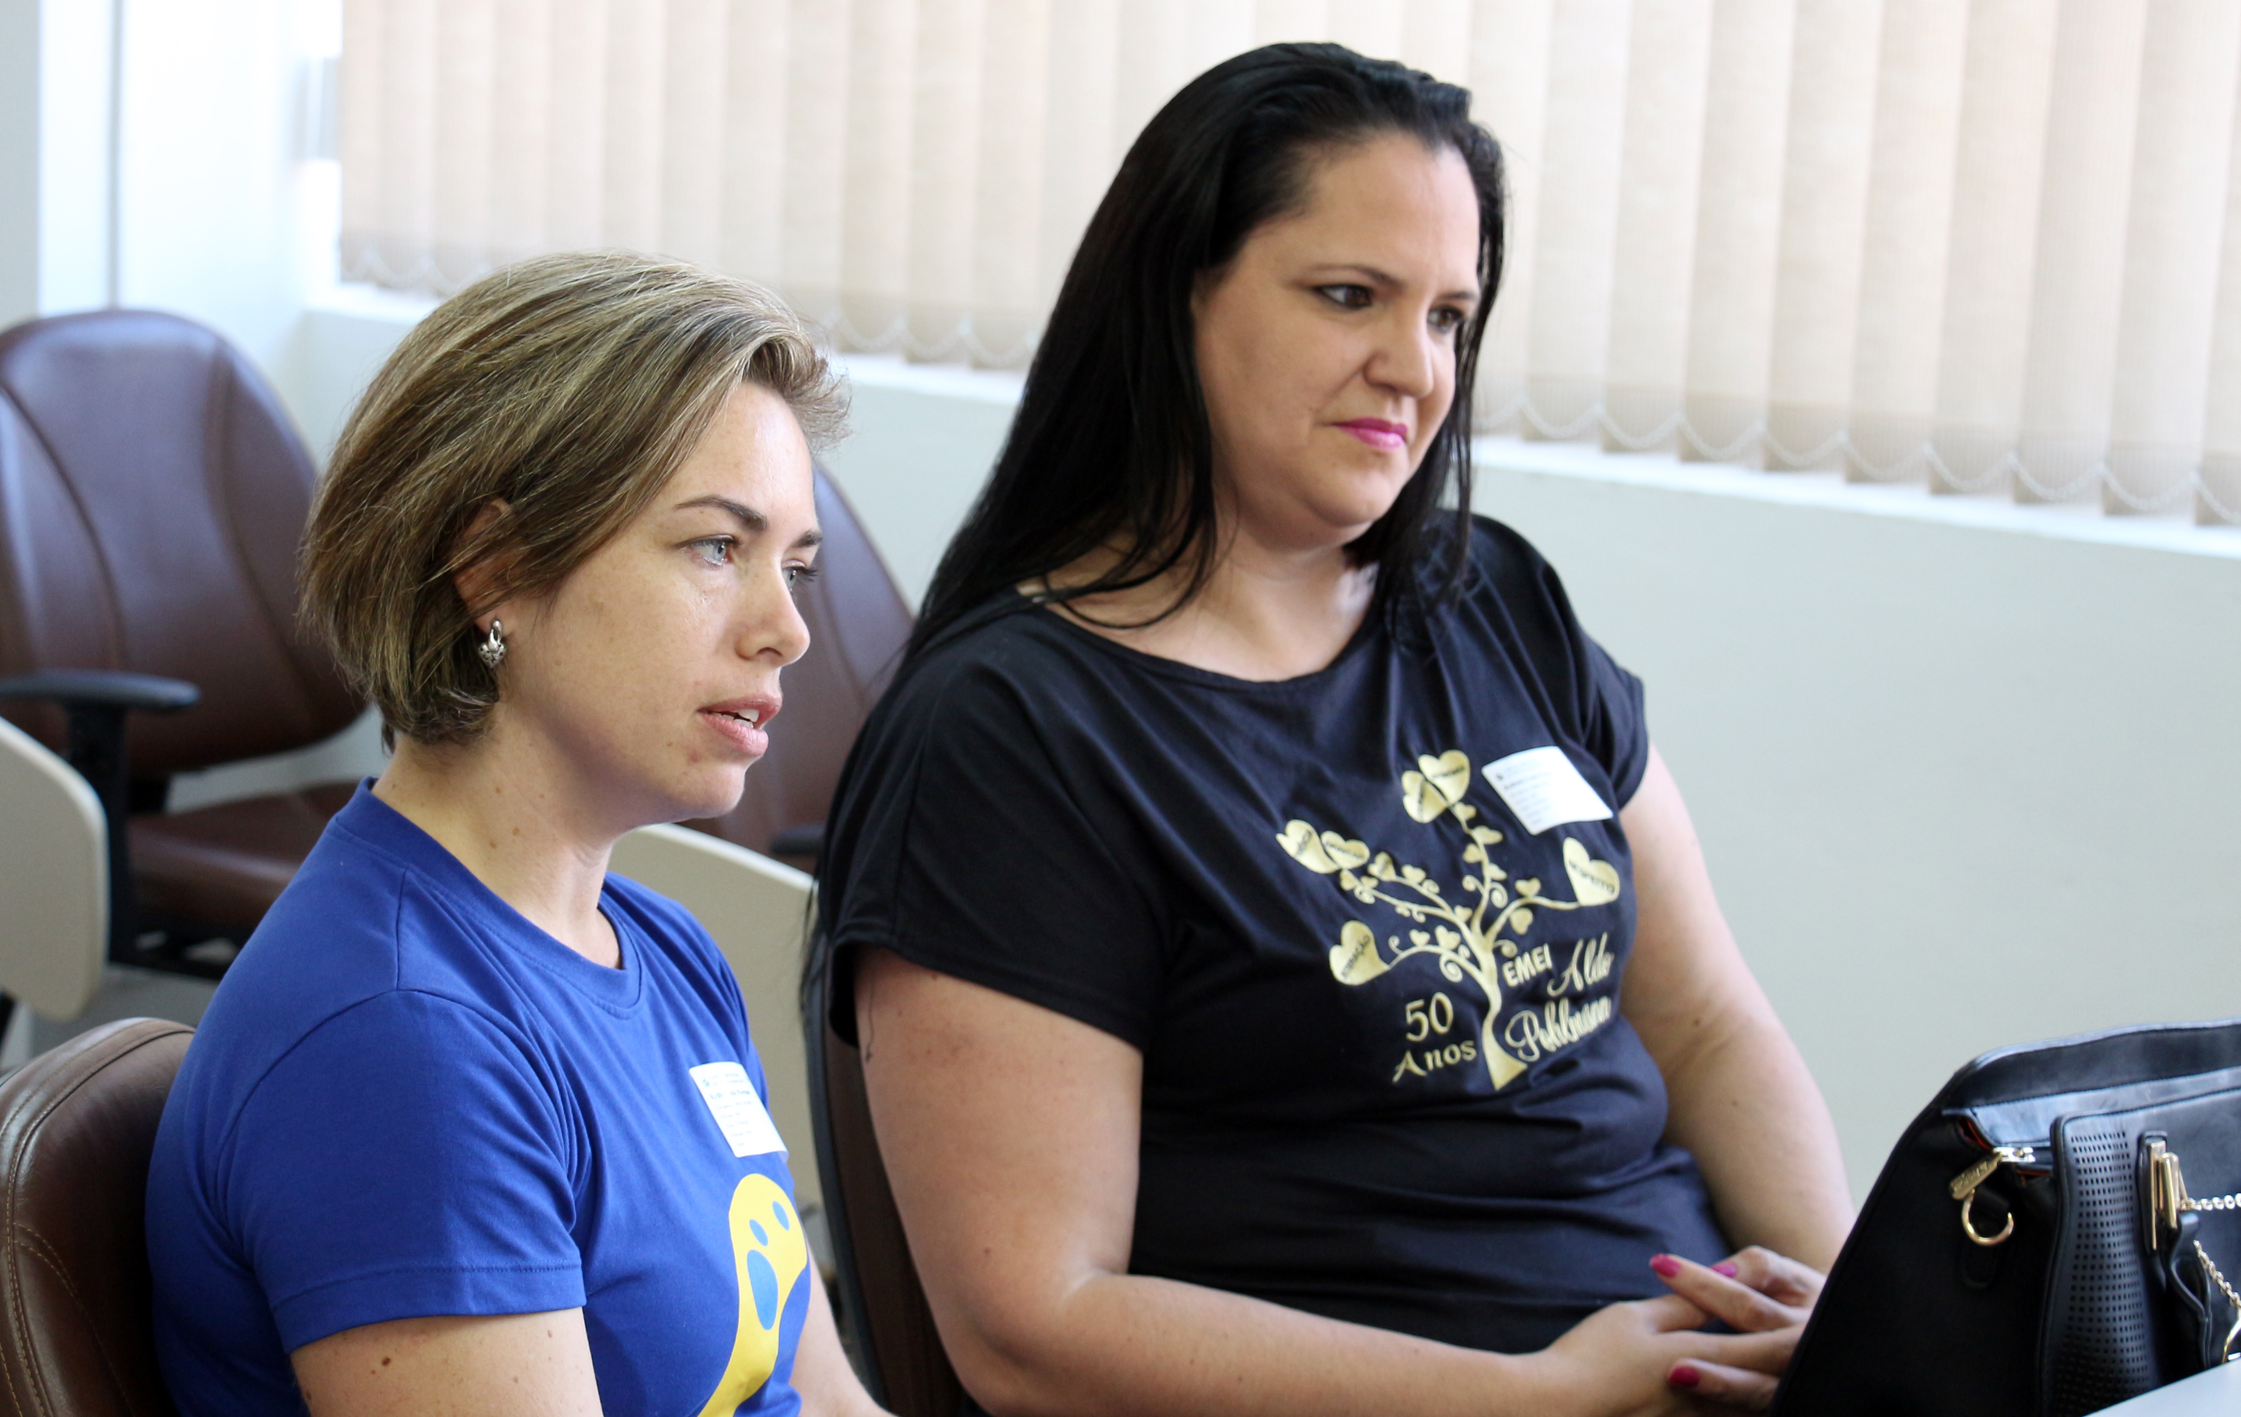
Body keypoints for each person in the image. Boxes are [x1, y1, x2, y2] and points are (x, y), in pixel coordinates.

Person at [813, 43, 1853, 1417]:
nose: (1412, 367)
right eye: (1349, 296)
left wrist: (1852, 1318)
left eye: (1448, 315)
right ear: (1176, 296)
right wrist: (1538, 1396)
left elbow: (1708, 1023)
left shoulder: (1496, 600)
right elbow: (1033, 1328)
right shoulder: (1010, 736)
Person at [147, 251, 887, 1417]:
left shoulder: (664, 949)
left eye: (794, 565)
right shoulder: (402, 1039)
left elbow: (822, 1396)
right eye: (715, 547)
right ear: (492, 568)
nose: (786, 629)